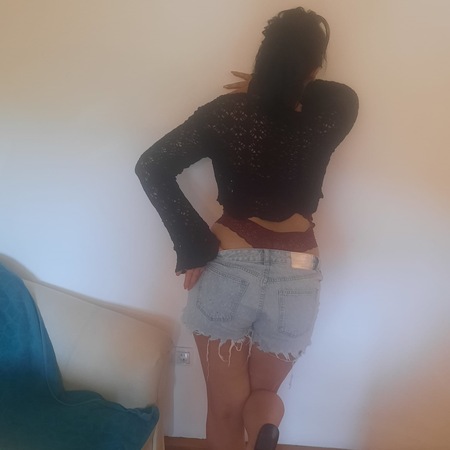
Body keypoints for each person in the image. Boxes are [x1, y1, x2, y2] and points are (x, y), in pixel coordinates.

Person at [136, 7, 358, 450]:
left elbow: (152, 166)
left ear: (263, 55)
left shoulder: (226, 113)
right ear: (315, 66)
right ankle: (263, 432)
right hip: (297, 274)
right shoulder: (334, 111)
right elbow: (334, 92)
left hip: (230, 265)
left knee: (224, 408)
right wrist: (281, 84)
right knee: (264, 396)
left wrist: (193, 246)